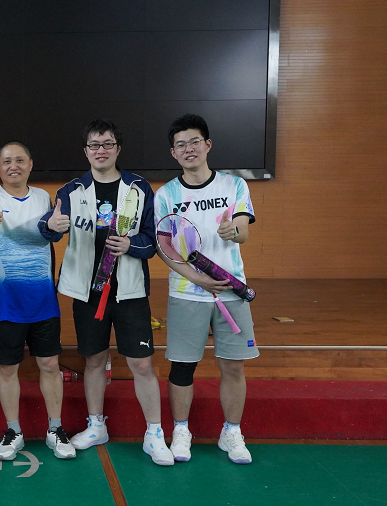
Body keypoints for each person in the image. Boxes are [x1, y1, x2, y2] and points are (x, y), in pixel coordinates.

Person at [39, 119, 173, 466]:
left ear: (118, 148)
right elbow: (49, 226)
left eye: (107, 144)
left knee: (141, 363)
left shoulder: (139, 188)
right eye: (94, 145)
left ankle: (154, 433)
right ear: (86, 151)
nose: (101, 150)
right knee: (94, 360)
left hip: (129, 291)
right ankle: (96, 425)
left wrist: (131, 245)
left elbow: (153, 240)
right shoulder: (71, 191)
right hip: (87, 292)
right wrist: (50, 226)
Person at [155, 113, 257, 465]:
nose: (189, 149)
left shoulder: (234, 185)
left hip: (231, 289)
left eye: (195, 141)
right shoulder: (166, 194)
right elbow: (164, 246)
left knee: (234, 367)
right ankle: (181, 431)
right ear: (173, 153)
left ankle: (232, 432)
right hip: (187, 293)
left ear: (207, 145)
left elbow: (243, 228)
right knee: (182, 368)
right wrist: (195, 277)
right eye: (181, 144)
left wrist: (234, 231)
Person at [0, 141, 75, 460]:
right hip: (4, 302)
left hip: (43, 299)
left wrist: (56, 226)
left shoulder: (44, 197)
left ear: (30, 164)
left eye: (20, 160)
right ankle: (13, 431)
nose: (13, 166)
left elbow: (48, 231)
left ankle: (55, 429)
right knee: (8, 369)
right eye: (7, 161)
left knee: (50, 365)